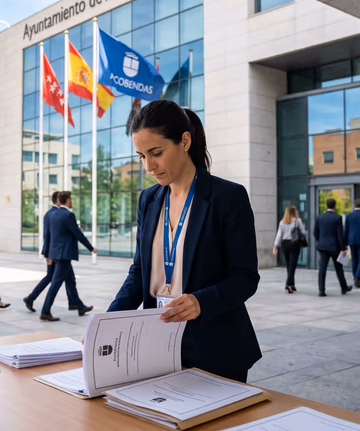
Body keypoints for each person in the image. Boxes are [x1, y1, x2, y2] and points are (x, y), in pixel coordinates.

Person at [107, 100, 261, 383]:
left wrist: (201, 302)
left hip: (215, 345)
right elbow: (140, 271)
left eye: (156, 153)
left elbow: (246, 277)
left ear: (185, 141)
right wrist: (105, 326)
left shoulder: (228, 197)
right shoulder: (149, 199)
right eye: (141, 156)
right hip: (157, 341)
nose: (149, 166)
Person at [40, 191, 95, 321]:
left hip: (56, 253)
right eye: (71, 199)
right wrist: (91, 248)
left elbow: (48, 235)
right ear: (68, 200)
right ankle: (45, 311)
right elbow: (78, 233)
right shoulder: (68, 215)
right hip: (64, 254)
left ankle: (78, 306)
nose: (72, 201)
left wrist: (47, 253)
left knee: (70, 281)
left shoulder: (53, 214)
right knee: (56, 283)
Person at [24, 191, 75, 313]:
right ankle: (31, 298)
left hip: (58, 253)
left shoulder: (56, 213)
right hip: (54, 253)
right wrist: (47, 254)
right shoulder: (51, 214)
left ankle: (74, 303)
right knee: (51, 277)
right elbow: (47, 235)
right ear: (57, 199)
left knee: (69, 278)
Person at [314, 198, 352, 297]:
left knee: (322, 268)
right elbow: (340, 234)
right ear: (334, 206)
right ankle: (344, 288)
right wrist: (343, 248)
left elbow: (315, 233)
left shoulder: (319, 217)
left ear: (326, 206)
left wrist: (321, 240)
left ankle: (321, 290)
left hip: (322, 246)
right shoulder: (337, 217)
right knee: (339, 268)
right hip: (334, 247)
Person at [273, 205, 305, 294]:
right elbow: (302, 232)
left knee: (288, 264)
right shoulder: (297, 221)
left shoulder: (282, 222)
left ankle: (292, 284)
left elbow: (279, 235)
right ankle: (289, 284)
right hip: (294, 244)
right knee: (292, 265)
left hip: (285, 244)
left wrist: (275, 246)